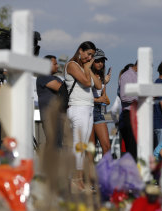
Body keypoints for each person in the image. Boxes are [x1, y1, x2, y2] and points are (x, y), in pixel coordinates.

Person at [64, 41, 102, 190]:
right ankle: (75, 178)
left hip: (88, 108)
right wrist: (86, 69)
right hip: (77, 107)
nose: (89, 57)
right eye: (88, 54)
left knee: (83, 145)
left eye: (92, 55)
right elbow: (87, 83)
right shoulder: (72, 65)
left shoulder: (84, 67)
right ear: (80, 50)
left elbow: (98, 85)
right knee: (78, 144)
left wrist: (88, 68)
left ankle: (78, 178)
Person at [36, 55, 63, 147]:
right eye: (55, 64)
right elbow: (61, 88)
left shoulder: (57, 79)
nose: (57, 66)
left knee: (58, 145)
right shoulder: (43, 76)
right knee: (53, 145)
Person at [89, 49, 111, 155]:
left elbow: (104, 97)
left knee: (106, 146)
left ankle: (105, 171)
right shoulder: (87, 75)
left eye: (102, 61)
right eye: (97, 61)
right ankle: (90, 172)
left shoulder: (102, 76)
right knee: (91, 148)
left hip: (99, 111)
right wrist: (99, 100)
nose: (100, 63)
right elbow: (82, 97)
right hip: (88, 110)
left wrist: (105, 99)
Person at [119, 61, 138, 160]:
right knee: (132, 148)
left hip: (139, 116)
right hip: (130, 114)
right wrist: (140, 98)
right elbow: (124, 97)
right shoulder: (127, 76)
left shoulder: (139, 77)